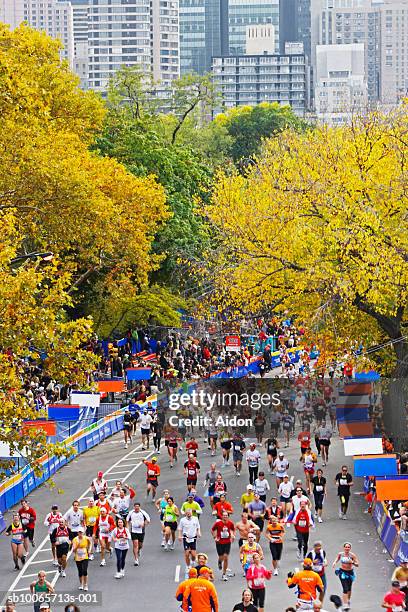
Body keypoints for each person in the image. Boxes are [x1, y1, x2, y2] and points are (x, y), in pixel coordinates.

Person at [332, 542, 359, 610]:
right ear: (344, 548)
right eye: (346, 547)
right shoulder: (341, 554)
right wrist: (334, 562)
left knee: (349, 589)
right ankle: (345, 604)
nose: (347, 548)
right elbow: (337, 558)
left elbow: (357, 564)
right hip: (342, 572)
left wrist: (352, 562)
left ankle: (347, 601)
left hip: (350, 573)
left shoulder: (352, 555)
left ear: (350, 548)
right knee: (345, 588)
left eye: (348, 547)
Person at [211, 510, 236, 581]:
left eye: (226, 515)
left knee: (226, 557)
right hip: (219, 542)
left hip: (227, 542)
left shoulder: (230, 523)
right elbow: (212, 530)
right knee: (221, 556)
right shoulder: (218, 523)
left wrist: (233, 535)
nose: (225, 517)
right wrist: (214, 537)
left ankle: (224, 574)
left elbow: (233, 529)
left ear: (228, 516)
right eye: (224, 515)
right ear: (222, 516)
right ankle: (219, 562)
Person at [178, 508, 201, 575]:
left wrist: (199, 533)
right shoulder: (182, 520)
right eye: (187, 513)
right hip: (186, 538)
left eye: (190, 513)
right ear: (185, 514)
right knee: (187, 553)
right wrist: (179, 536)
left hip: (193, 538)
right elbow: (180, 529)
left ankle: (193, 562)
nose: (188, 515)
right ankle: (188, 566)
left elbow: (198, 527)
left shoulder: (195, 519)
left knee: (194, 555)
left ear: (191, 513)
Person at [127, 501, 150, 566]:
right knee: (135, 544)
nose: (136, 508)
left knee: (140, 545)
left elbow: (148, 520)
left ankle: (138, 550)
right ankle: (136, 559)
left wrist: (143, 524)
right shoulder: (131, 513)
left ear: (139, 507)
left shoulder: (143, 513)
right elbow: (127, 520)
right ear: (134, 507)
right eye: (135, 507)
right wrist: (127, 528)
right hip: (133, 531)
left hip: (141, 531)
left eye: (138, 507)